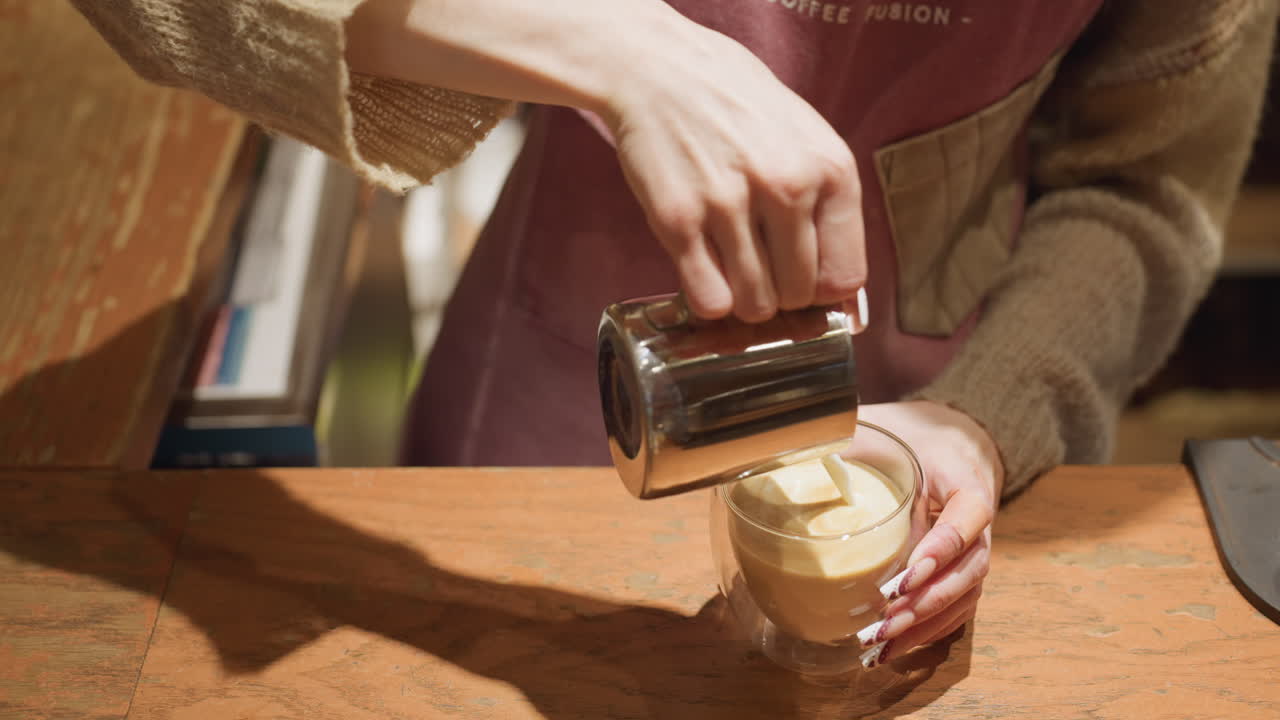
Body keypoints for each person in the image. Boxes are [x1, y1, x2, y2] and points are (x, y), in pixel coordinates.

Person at [71, 0, 1277, 667]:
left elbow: (1137, 193)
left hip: (936, 450)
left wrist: (985, 422)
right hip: (550, 424)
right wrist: (612, 45)